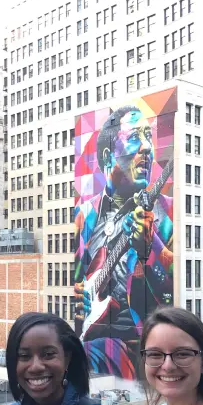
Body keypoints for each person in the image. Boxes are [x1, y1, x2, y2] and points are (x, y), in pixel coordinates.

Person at [74, 104, 174, 379]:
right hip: (99, 347)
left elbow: (174, 284)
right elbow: (82, 278)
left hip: (149, 349)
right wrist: (81, 297)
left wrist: (150, 245)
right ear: (108, 157)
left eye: (149, 137)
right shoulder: (86, 214)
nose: (146, 147)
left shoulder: (168, 211)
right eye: (134, 138)